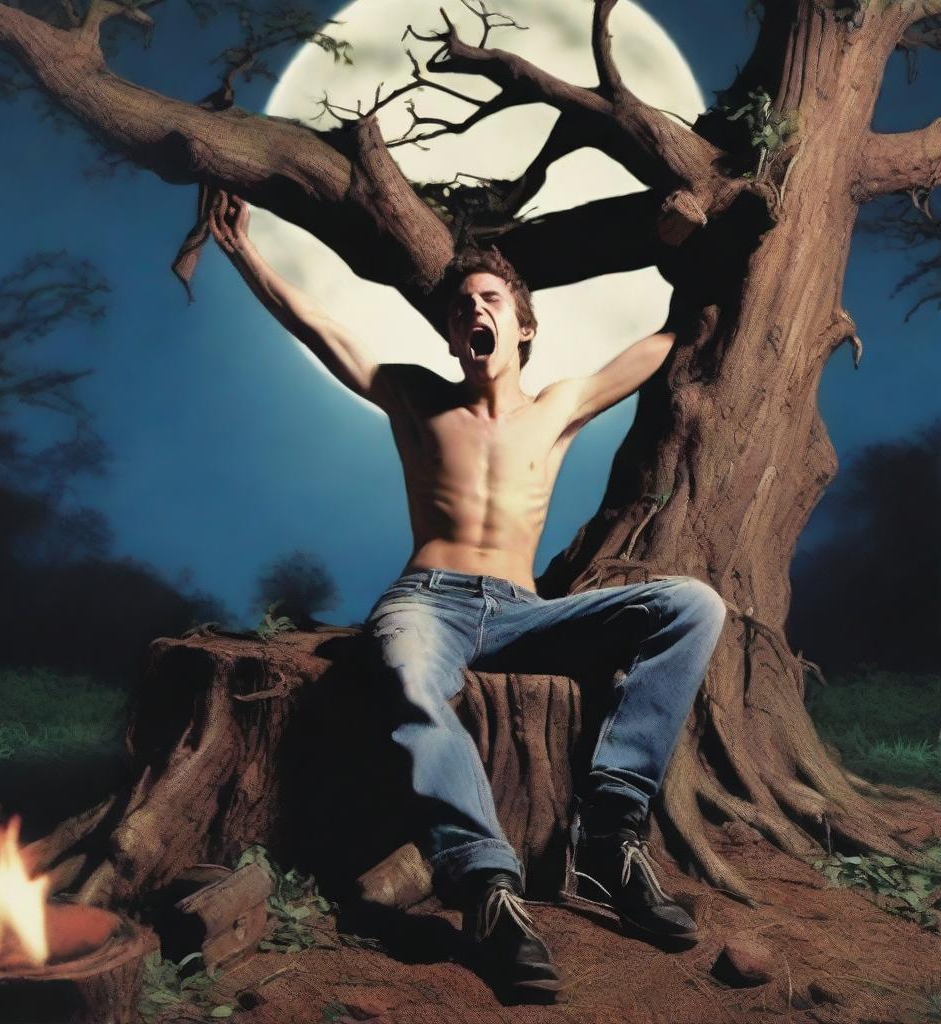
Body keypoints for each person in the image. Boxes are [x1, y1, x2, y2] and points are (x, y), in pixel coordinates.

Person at [209, 191, 726, 999]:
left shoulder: (558, 407)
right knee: (411, 676)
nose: (473, 310)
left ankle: (610, 833)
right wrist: (244, 253)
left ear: (523, 327)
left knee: (693, 605)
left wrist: (699, 249)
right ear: (452, 336)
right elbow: (319, 328)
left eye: (490, 300)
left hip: (525, 611)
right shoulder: (416, 396)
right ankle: (488, 886)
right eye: (460, 306)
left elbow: (667, 338)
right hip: (428, 600)